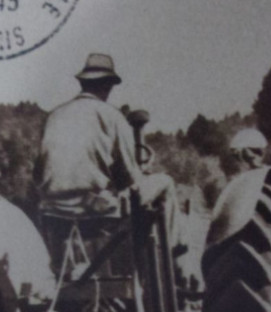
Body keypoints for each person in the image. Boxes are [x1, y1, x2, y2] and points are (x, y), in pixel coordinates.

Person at [35, 53, 186, 262]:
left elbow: (39, 172)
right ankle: (173, 258)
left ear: (84, 83)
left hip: (53, 214)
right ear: (108, 85)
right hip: (95, 212)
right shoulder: (112, 116)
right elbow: (130, 180)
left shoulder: (53, 116)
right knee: (165, 183)